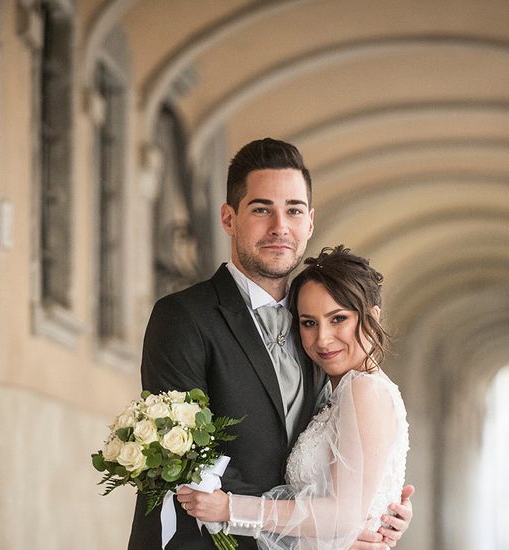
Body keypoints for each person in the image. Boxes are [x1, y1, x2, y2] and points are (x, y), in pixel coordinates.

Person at [127, 138, 413, 550]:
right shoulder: (183, 316)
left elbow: (349, 455)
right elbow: (181, 457)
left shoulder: (319, 329)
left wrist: (375, 513)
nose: (280, 226)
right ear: (229, 218)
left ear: (309, 222)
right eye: (262, 209)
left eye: (293, 210)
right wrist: (330, 529)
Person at [177, 245, 409, 550]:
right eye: (309, 323)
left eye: (338, 319)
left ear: (372, 316)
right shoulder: (337, 389)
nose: (322, 339)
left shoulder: (364, 390)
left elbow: (342, 515)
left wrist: (228, 508)